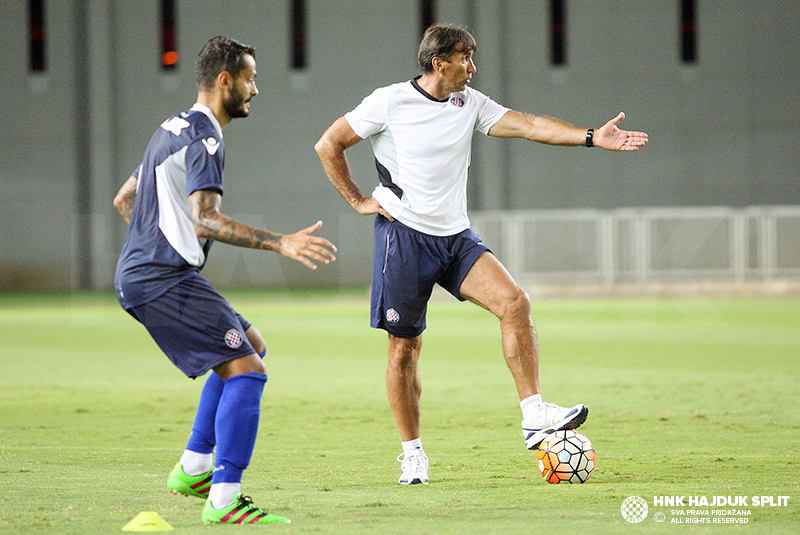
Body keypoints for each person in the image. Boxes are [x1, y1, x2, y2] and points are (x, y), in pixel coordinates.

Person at [315, 23, 647, 485]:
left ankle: (534, 416)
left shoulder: (469, 103)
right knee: (403, 349)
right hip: (404, 237)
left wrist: (593, 136)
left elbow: (530, 125)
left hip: (455, 237)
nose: (472, 68)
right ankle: (412, 453)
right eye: (465, 59)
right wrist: (357, 200)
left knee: (515, 303)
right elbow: (328, 144)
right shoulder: (389, 101)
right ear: (439, 63)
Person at [113, 36, 337, 524]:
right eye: (250, 78)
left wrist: (155, 242)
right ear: (224, 80)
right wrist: (280, 242)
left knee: (249, 343)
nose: (255, 89)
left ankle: (194, 468)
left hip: (150, 273)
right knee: (248, 371)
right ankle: (223, 499)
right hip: (159, 279)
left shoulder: (171, 128)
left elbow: (125, 197)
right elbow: (206, 220)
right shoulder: (205, 136)